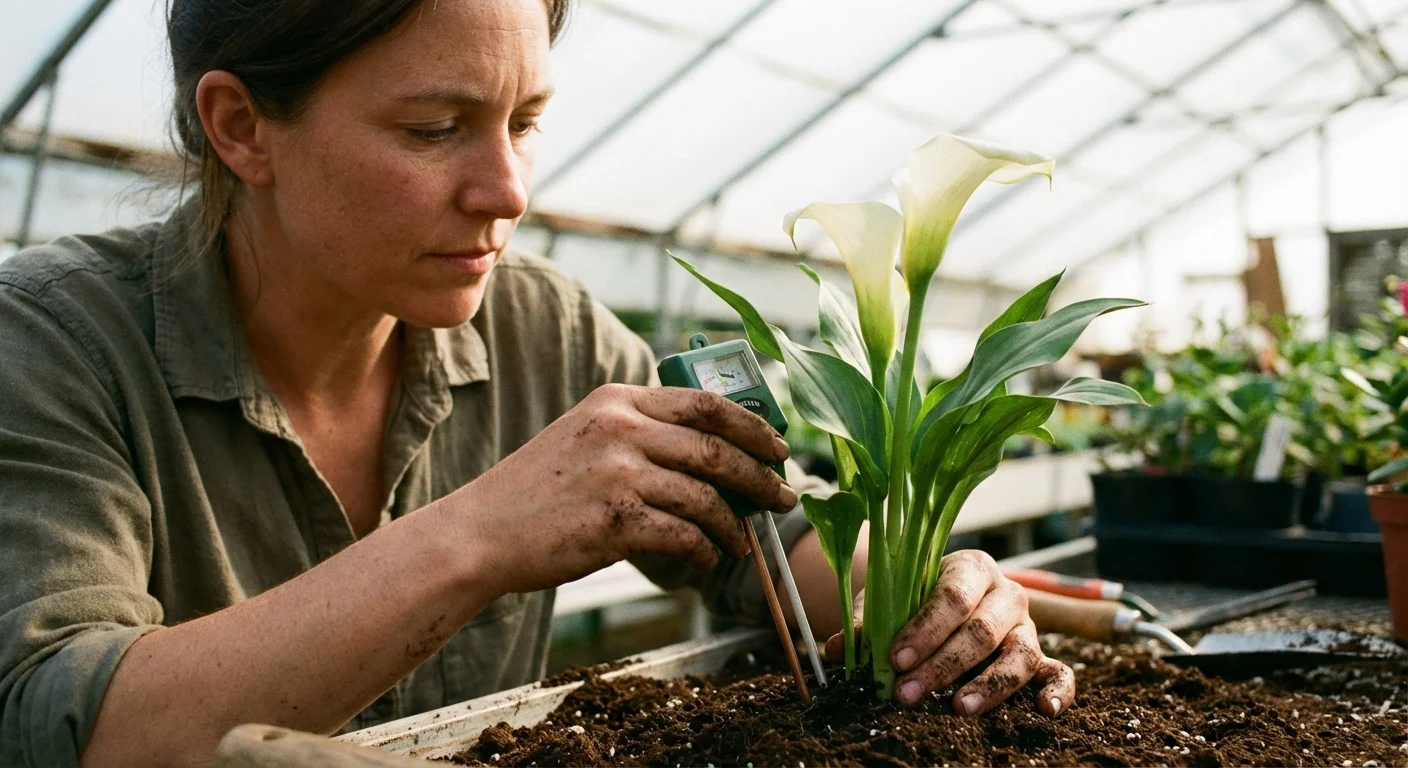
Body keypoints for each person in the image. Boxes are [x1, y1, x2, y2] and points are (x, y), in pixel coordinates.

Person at [0, 1, 1075, 765]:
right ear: (240, 127)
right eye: (433, 130)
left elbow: (774, 547)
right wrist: (478, 535)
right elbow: (69, 726)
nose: (507, 190)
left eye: (524, 123)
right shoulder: (53, 344)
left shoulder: (546, 329)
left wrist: (937, 596)